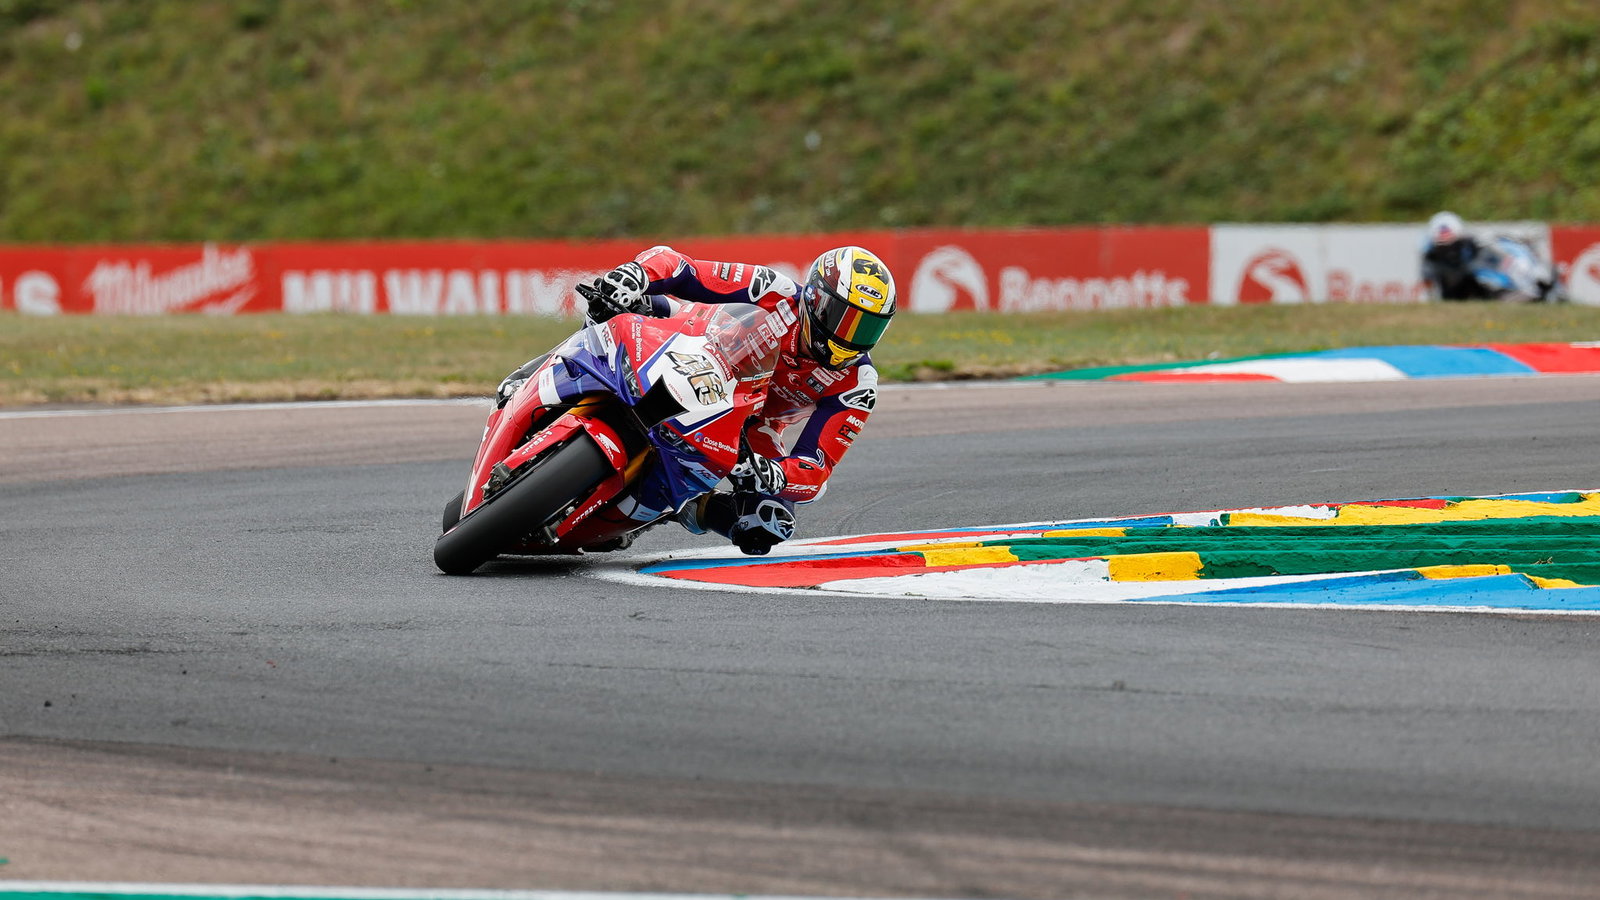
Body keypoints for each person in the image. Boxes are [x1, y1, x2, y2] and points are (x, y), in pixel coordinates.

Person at [498, 245, 896, 555]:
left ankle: (680, 508)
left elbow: (816, 468)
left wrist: (776, 476)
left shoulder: (857, 381)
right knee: (624, 302)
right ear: (815, 298)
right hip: (698, 348)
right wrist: (637, 275)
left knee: (767, 523)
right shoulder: (771, 289)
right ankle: (536, 372)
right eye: (846, 318)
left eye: (868, 327)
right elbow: (680, 266)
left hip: (749, 423)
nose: (851, 336)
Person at [1420, 211, 1493, 300]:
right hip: (1451, 291)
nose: (1445, 238)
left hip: (1476, 287)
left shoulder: (1470, 244)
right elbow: (1428, 276)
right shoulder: (1431, 253)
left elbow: (1485, 266)